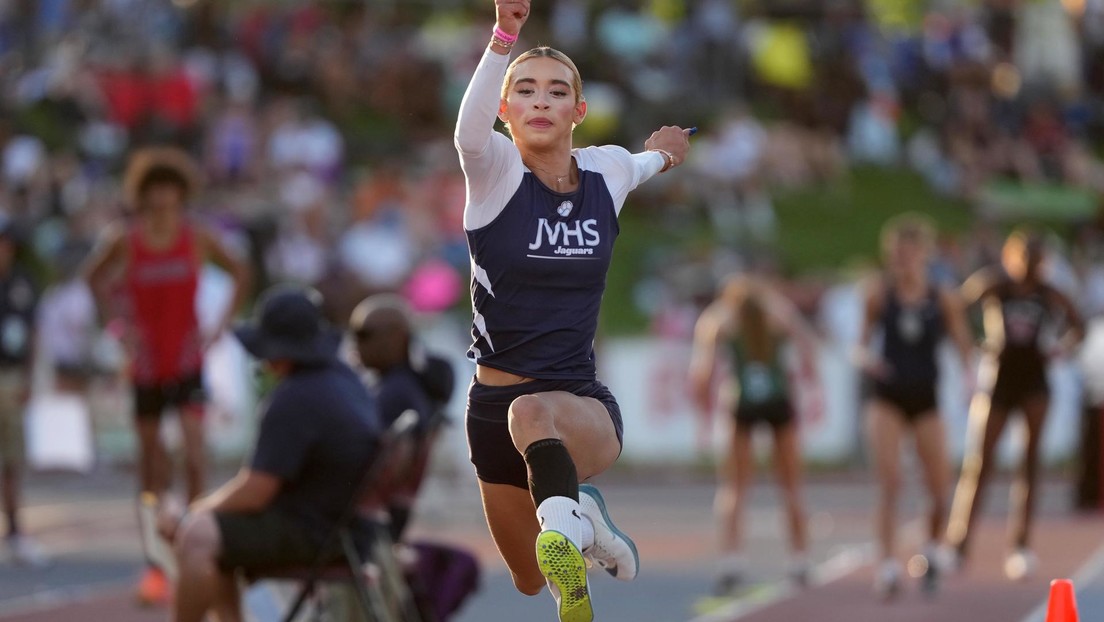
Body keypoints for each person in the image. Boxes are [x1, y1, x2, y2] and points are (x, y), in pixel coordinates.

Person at [454, 1, 692, 620]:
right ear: (505, 110)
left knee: (533, 411)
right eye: (525, 91)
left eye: (557, 92)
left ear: (577, 112)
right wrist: (503, 36)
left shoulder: (604, 171)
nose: (540, 101)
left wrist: (666, 153)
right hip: (491, 410)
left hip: (576, 404)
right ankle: (584, 520)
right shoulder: (496, 173)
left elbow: (642, 164)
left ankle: (571, 525)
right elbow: (466, 135)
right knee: (528, 580)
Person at [82, 146, 249, 605]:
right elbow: (93, 278)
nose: (162, 198)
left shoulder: (197, 237)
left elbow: (240, 271)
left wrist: (219, 327)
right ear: (143, 193)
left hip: (186, 361)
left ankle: (195, 544)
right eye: (154, 189)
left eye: (169, 189)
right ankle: (155, 562)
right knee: (151, 463)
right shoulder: (124, 239)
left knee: (195, 454)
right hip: (146, 365)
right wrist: (119, 327)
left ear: (181, 192)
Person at [160, 285, 381, 622]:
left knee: (197, 536)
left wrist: (190, 515)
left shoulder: (294, 398)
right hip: (349, 529)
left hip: (317, 533)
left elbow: (255, 492)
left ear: (277, 352)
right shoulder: (345, 380)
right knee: (216, 534)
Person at [945, 229, 1084, 580]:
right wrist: (973, 344)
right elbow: (955, 307)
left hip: (1034, 381)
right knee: (980, 463)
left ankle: (1019, 545)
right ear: (1011, 256)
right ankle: (959, 543)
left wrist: (1059, 349)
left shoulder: (1049, 292)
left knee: (1029, 464)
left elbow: (1078, 325)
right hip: (999, 379)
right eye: (1025, 257)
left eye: (1037, 259)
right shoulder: (995, 284)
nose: (1030, 265)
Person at [854, 214, 974, 598]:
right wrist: (866, 360)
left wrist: (971, 379)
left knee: (938, 487)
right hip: (888, 396)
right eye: (896, 255)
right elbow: (860, 344)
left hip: (926, 397)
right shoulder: (879, 295)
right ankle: (887, 566)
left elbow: (963, 345)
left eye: (909, 254)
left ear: (924, 254)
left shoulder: (943, 298)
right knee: (890, 481)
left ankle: (931, 551)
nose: (902, 262)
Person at [689, 275, 819, 595]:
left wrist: (703, 419)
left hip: (741, 402)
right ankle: (800, 559)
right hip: (778, 400)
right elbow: (807, 347)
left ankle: (731, 561)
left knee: (733, 487)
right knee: (791, 485)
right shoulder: (778, 312)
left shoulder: (719, 319)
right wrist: (808, 379)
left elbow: (702, 374)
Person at [349, 293, 455, 538]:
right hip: (386, 518)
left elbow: (380, 469)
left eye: (363, 334)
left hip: (366, 520)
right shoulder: (405, 386)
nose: (355, 343)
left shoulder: (395, 393)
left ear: (397, 336)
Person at [0, 217, 47, 567]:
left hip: (11, 375)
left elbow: (32, 333)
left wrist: (30, 378)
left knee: (12, 458)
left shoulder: (23, 282)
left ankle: (14, 530)